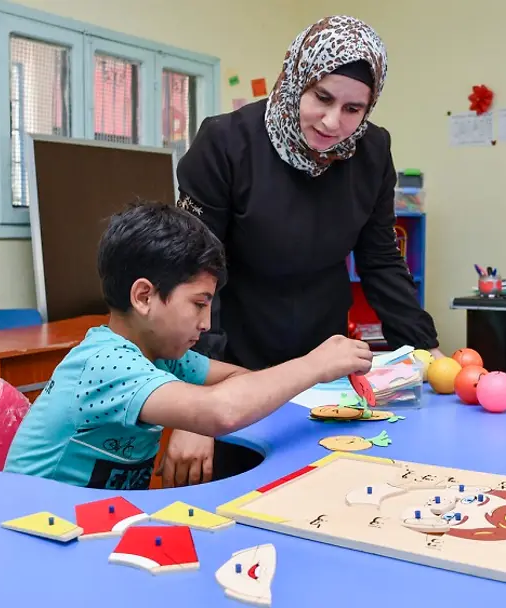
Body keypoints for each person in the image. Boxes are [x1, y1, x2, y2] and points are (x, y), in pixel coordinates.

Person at [166, 14, 445, 486]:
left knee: (324, 485)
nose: (335, 122)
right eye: (322, 97)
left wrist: (424, 348)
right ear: (296, 79)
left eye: (354, 109)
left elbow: (379, 258)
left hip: (323, 352)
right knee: (241, 493)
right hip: (233, 349)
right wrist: (194, 405)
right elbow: (194, 274)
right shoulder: (226, 143)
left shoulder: (372, 152)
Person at [2, 201, 373, 490]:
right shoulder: (105, 364)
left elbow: (239, 379)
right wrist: (314, 364)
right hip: (37, 537)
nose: (206, 323)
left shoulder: (163, 357)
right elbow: (222, 410)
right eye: (198, 303)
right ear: (144, 297)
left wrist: (197, 418)